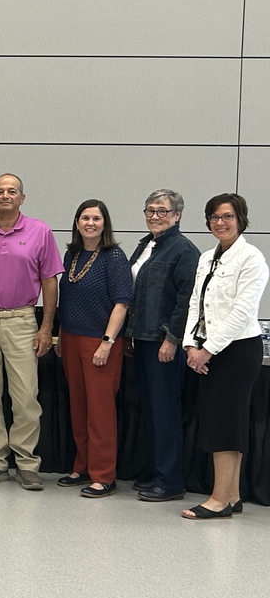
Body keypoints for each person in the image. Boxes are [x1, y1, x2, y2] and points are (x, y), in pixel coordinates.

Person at [0, 174, 63, 490]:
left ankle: (26, 463)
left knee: (25, 397)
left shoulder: (40, 231)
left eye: (12, 191)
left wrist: (47, 327)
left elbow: (50, 281)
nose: (5, 195)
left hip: (22, 321)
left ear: (22, 197)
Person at [181, 193, 268, 520]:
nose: (220, 222)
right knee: (223, 421)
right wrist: (191, 344)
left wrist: (207, 350)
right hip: (207, 348)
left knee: (226, 425)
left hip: (237, 350)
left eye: (227, 216)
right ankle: (232, 494)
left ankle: (219, 501)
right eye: (215, 217)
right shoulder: (207, 257)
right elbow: (195, 304)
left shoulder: (251, 258)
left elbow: (241, 312)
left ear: (241, 220)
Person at [54, 200, 132, 498]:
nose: (90, 223)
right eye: (85, 217)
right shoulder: (71, 254)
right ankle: (83, 464)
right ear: (76, 223)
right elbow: (67, 300)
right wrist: (60, 335)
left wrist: (108, 342)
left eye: (96, 218)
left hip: (100, 342)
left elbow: (122, 302)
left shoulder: (114, 257)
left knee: (100, 410)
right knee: (79, 405)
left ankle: (103, 475)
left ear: (104, 223)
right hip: (71, 338)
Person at [125, 190, 199, 502]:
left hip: (163, 343)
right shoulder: (145, 245)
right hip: (141, 339)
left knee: (165, 411)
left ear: (177, 215)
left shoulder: (184, 250)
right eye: (150, 210)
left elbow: (186, 301)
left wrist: (172, 339)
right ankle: (157, 472)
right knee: (151, 411)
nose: (155, 216)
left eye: (163, 211)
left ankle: (170, 481)